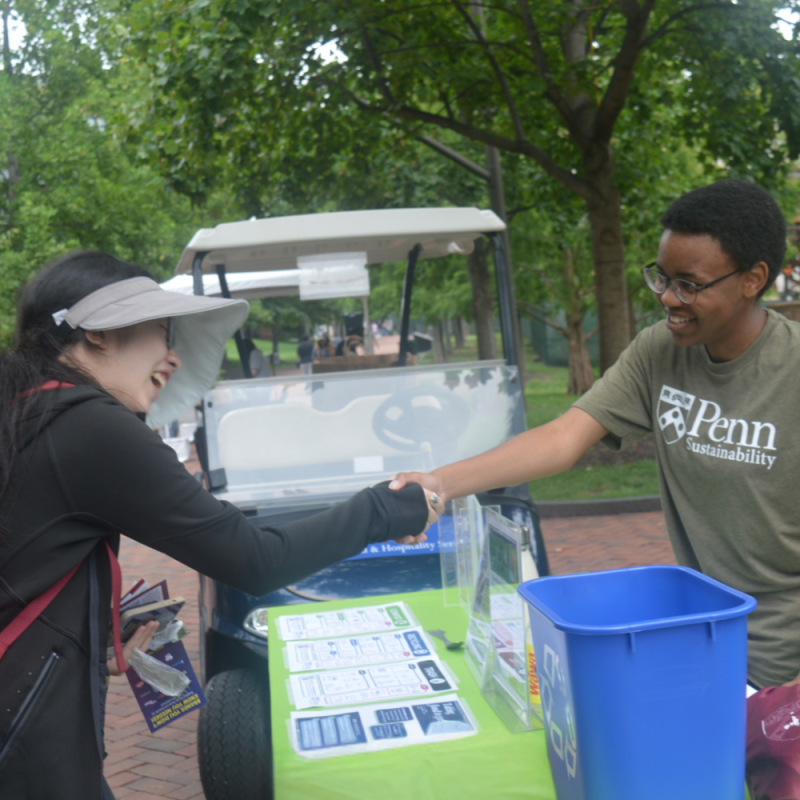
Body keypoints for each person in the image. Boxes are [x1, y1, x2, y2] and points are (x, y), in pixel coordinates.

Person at [0, 251, 437, 798]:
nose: (173, 358)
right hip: (27, 752)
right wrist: (390, 507)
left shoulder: (25, 413)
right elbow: (255, 559)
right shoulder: (88, 426)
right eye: (162, 332)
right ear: (99, 333)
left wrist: (84, 642)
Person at [392, 179, 798, 691]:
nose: (668, 299)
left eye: (689, 284)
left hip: (787, 666)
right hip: (704, 640)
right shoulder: (661, 351)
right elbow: (563, 438)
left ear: (753, 279)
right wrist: (439, 484)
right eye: (662, 278)